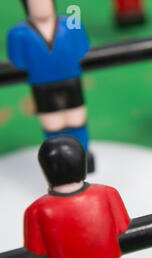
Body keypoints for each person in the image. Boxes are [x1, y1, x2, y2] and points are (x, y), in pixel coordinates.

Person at [24, 136, 130, 258]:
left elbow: (37, 250)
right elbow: (123, 228)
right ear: (82, 163)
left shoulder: (35, 211)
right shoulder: (108, 193)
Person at [8, 0, 95, 171]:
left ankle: (82, 155)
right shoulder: (18, 34)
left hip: (71, 81)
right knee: (52, 124)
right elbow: (17, 60)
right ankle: (59, 160)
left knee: (76, 119)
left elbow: (82, 47)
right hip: (42, 86)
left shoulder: (71, 25)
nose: (41, 5)